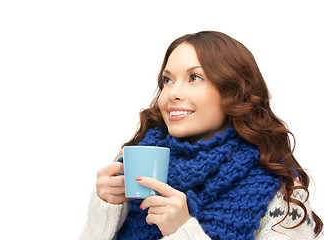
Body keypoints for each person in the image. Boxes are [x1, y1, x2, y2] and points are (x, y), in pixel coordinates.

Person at [79, 31, 323, 239]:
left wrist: (182, 230)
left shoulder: (282, 190)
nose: (173, 92)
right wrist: (105, 209)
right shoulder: (139, 167)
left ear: (234, 91)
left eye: (194, 77)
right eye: (167, 80)